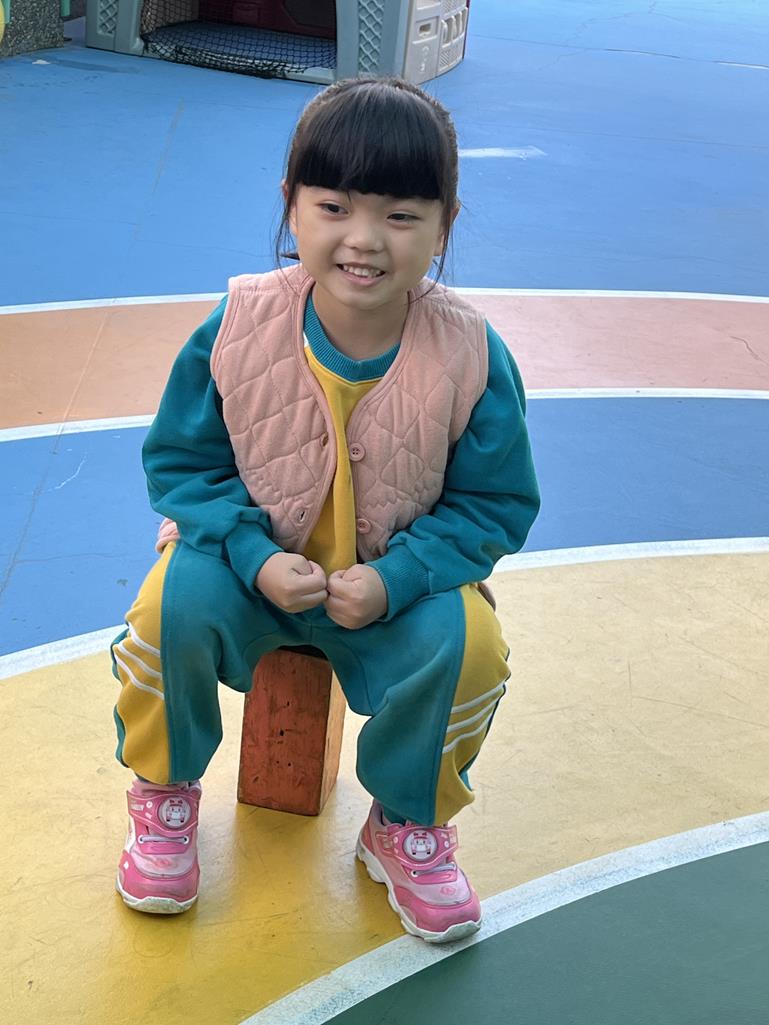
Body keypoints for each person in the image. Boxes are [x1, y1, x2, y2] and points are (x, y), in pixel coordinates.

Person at [110, 76, 540, 944]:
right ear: (292, 206)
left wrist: (397, 579)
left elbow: (494, 503)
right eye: (334, 206)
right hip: (244, 570)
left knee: (470, 649)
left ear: (445, 223)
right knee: (165, 610)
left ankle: (405, 821)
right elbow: (183, 463)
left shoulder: (470, 351)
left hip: (394, 590)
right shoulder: (239, 323)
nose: (364, 239)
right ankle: (163, 791)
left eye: (400, 215)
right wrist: (251, 553)